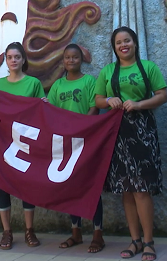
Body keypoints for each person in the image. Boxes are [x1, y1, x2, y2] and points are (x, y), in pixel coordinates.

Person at [95, 27, 167, 261]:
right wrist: (108, 99)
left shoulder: (148, 68)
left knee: (142, 189)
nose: (123, 45)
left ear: (135, 43)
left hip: (143, 131)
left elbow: (162, 95)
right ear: (114, 47)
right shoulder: (107, 71)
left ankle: (148, 242)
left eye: (127, 41)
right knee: (125, 188)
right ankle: (134, 240)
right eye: (118, 42)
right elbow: (96, 99)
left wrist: (139, 104)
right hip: (117, 133)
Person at [0, 42, 45, 250]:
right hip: (4, 142)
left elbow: (43, 110)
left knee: (27, 187)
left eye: (17, 57)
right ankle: (7, 232)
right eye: (9, 57)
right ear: (6, 60)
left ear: (23, 59)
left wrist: (45, 105)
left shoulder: (33, 83)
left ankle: (30, 230)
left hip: (26, 141)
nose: (13, 60)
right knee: (3, 186)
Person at [48, 44, 105, 253]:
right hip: (66, 142)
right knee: (71, 186)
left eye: (75, 57)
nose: (71, 61)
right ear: (63, 61)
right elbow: (52, 112)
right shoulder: (57, 86)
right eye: (67, 57)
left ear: (81, 60)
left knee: (92, 187)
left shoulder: (89, 81)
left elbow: (94, 106)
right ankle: (76, 232)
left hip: (87, 140)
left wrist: (83, 128)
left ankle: (98, 233)